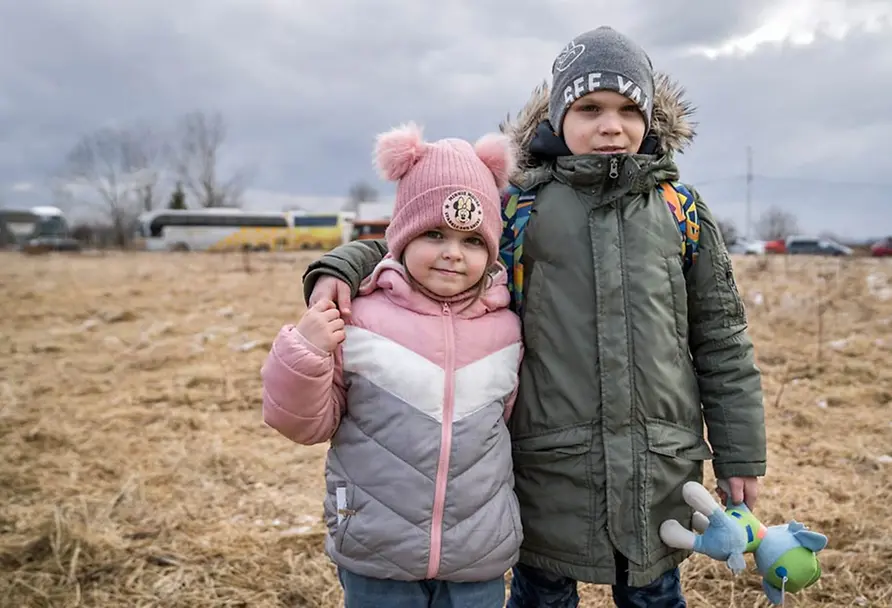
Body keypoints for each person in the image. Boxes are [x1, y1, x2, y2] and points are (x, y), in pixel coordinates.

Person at [301, 25, 767, 608]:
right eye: (590, 107)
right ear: (557, 113)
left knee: (654, 596)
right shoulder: (519, 204)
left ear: (650, 117)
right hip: (546, 466)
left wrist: (739, 453)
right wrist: (339, 267)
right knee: (542, 596)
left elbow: (722, 340)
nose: (610, 126)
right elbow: (420, 235)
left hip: (659, 466)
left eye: (628, 109)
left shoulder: (681, 212)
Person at [261, 123, 525, 608]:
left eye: (471, 241)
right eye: (433, 233)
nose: (452, 252)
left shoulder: (507, 330)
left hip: (477, 556)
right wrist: (306, 350)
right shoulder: (358, 317)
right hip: (375, 549)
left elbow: (504, 423)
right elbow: (302, 423)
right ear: (399, 239)